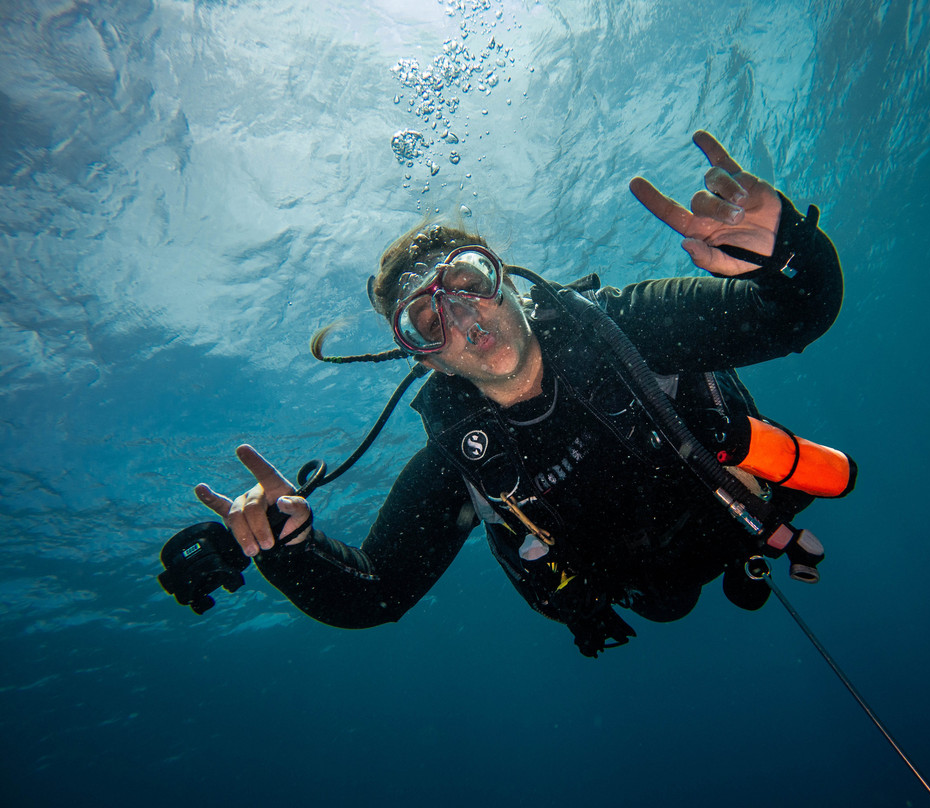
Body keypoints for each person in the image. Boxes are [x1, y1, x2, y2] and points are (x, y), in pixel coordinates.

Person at [192, 131, 849, 657]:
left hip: (739, 516)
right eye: (426, 319)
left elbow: (796, 315)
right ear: (425, 358)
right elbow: (376, 594)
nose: (462, 316)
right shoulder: (461, 461)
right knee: (669, 604)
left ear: (507, 279)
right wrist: (286, 549)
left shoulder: (632, 327)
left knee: (735, 560)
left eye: (468, 279)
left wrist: (789, 252)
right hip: (645, 589)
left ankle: (751, 564)